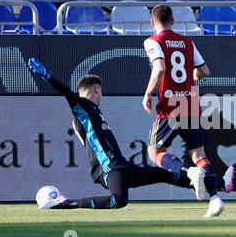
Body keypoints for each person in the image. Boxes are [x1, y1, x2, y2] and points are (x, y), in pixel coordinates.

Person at [27, 58, 207, 211]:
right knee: (118, 201)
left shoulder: (93, 111)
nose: (101, 96)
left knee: (162, 174)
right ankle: (65, 203)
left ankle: (209, 184)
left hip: (121, 166)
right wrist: (47, 76)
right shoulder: (82, 107)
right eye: (100, 92)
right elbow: (67, 94)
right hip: (109, 166)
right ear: (96, 90)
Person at [142, 4, 234, 218]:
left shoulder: (152, 41)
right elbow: (204, 71)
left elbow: (160, 68)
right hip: (191, 103)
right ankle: (215, 198)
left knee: (155, 152)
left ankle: (190, 173)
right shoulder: (187, 42)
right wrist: (186, 79)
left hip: (170, 105)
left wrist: (148, 93)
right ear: (173, 21)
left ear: (152, 22)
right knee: (199, 155)